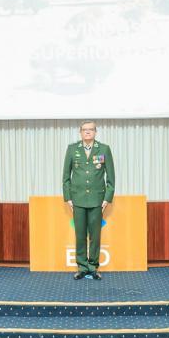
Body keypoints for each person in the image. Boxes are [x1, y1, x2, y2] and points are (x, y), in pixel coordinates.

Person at [62, 120, 115, 281]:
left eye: (90, 129)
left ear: (95, 132)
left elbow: (111, 178)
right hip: (77, 200)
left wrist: (107, 198)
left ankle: (93, 267)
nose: (87, 132)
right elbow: (66, 177)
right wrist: (68, 197)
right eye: (84, 130)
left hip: (97, 201)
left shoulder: (104, 149)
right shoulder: (72, 149)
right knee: (79, 236)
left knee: (95, 236)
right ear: (80, 132)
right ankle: (82, 267)